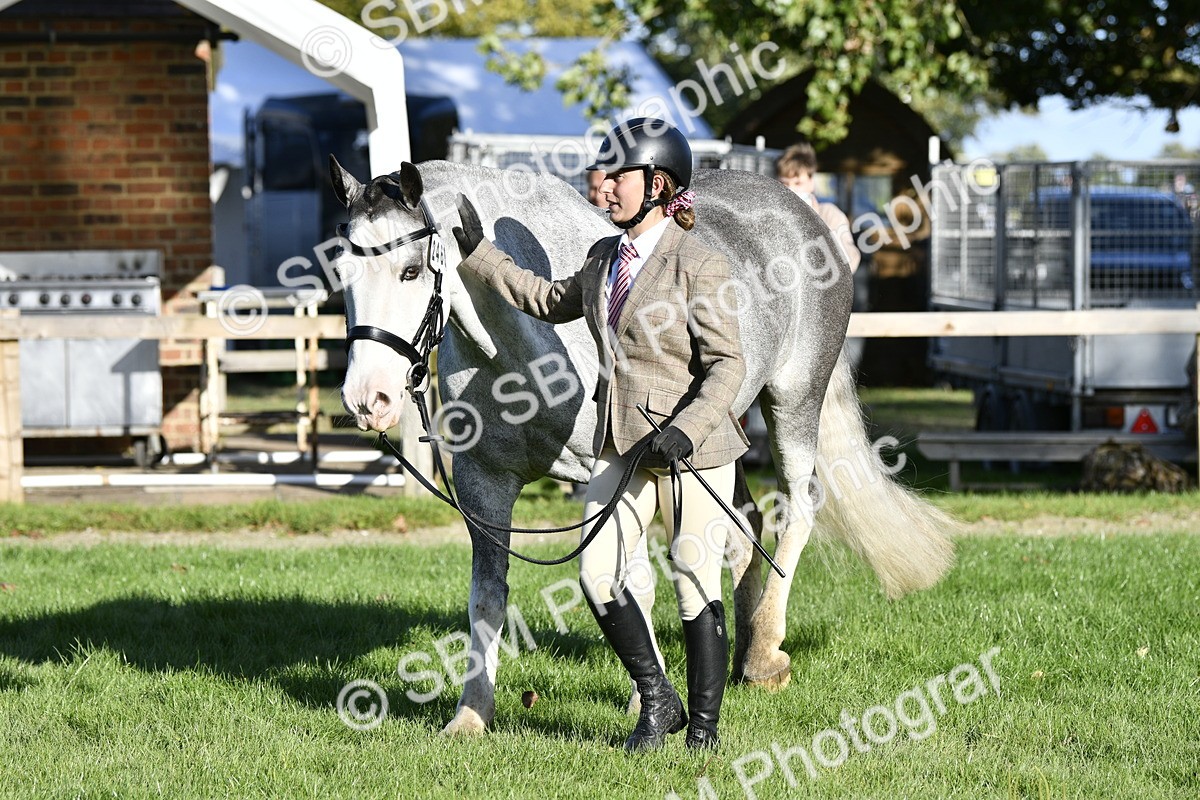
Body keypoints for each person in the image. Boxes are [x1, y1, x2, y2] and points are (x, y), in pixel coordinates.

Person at [452, 117, 748, 752]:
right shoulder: (601, 258)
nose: (603, 185)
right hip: (623, 444)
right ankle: (658, 698)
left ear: (658, 183)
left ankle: (703, 730)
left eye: (617, 176)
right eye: (603, 174)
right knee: (595, 572)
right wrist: (481, 255)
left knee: (693, 577)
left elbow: (729, 365)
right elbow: (545, 297)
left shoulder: (698, 261)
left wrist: (687, 431)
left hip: (693, 449)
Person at [774, 142, 861, 274]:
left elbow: (851, 261)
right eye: (784, 183)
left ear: (811, 182)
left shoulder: (829, 214)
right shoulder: (770, 216)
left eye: (798, 183)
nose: (790, 190)